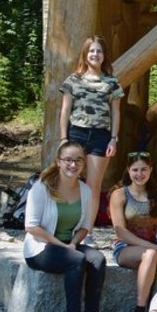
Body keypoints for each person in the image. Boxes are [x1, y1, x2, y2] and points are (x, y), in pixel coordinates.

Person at [23, 139, 108, 312]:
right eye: (68, 160)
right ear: (59, 161)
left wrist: (73, 243)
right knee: (76, 260)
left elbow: (85, 226)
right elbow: (31, 226)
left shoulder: (85, 191)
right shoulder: (41, 188)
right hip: (42, 248)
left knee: (97, 259)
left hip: (69, 244)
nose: (73, 164)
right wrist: (63, 245)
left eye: (78, 160)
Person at [57, 35, 124, 204]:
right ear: (85, 54)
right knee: (69, 181)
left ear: (104, 55)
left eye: (99, 51)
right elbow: (65, 110)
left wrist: (114, 139)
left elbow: (116, 112)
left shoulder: (112, 82)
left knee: (93, 186)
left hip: (101, 136)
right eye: (92, 51)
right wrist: (64, 138)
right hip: (76, 133)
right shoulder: (73, 80)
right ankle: (66, 223)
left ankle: (87, 229)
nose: (95, 54)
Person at [109, 151, 157, 312]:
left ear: (151, 169)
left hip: (154, 245)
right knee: (151, 254)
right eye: (135, 170)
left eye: (144, 169)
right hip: (126, 247)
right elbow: (120, 232)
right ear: (128, 171)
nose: (139, 174)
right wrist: (154, 247)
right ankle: (140, 307)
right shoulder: (119, 194)